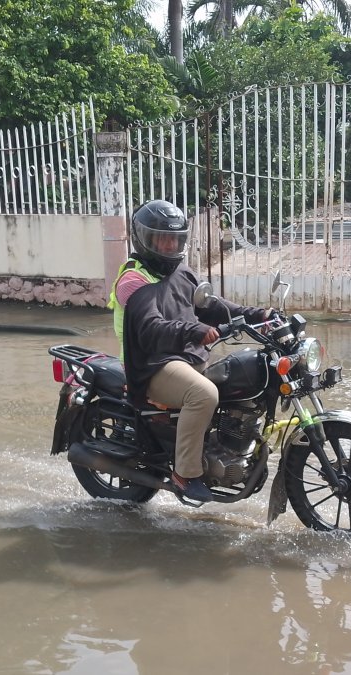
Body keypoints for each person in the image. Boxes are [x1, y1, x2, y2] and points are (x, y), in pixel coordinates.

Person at [108, 199, 269, 503]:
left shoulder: (181, 272)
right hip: (152, 363)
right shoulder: (134, 281)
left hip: (185, 354)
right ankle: (185, 473)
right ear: (144, 239)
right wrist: (195, 331)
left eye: (174, 239)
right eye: (161, 239)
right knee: (204, 394)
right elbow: (152, 329)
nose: (169, 246)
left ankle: (225, 447)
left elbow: (212, 306)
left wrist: (259, 315)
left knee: (243, 377)